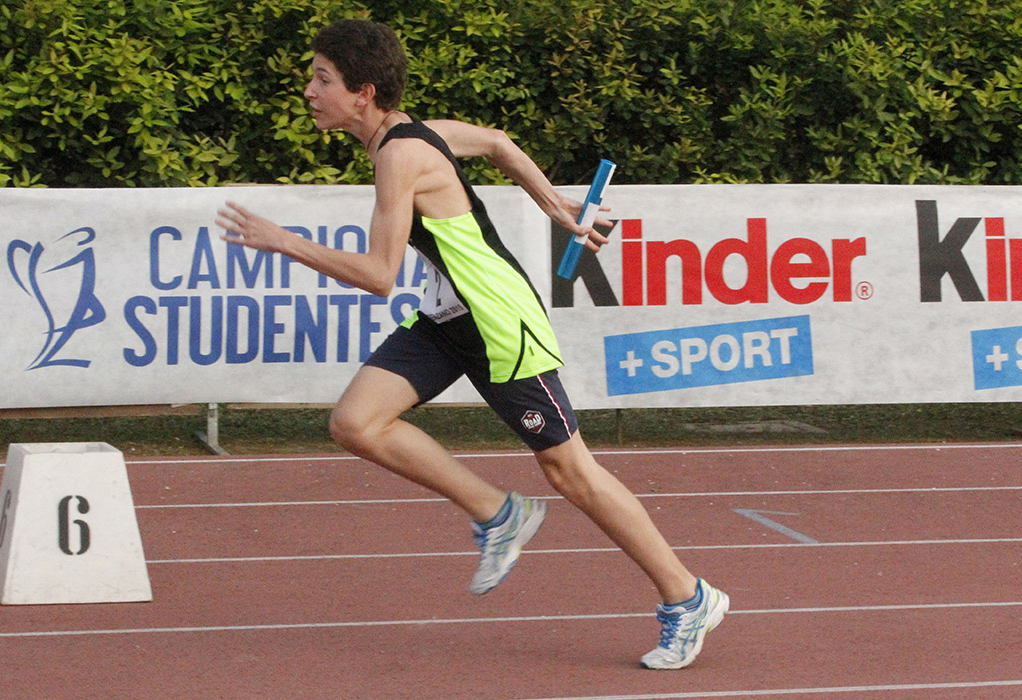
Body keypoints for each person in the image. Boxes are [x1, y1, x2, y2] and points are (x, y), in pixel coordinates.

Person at [215, 18, 728, 670]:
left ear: (363, 93)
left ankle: (687, 597)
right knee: (356, 423)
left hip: (497, 323)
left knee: (570, 471)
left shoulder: (400, 154)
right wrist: (555, 206)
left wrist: (283, 241)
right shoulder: (406, 133)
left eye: (322, 79)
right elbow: (496, 142)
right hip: (446, 319)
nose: (310, 91)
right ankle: (496, 511)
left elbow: (378, 275)